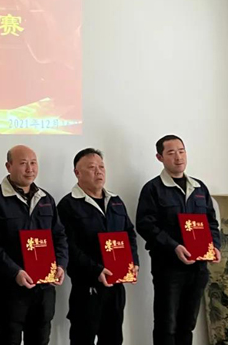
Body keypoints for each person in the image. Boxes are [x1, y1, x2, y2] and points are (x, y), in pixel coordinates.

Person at [136, 135, 221, 345]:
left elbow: (211, 222)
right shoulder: (153, 189)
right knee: (167, 324)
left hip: (198, 267)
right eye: (171, 153)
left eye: (181, 151)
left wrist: (215, 246)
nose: (178, 157)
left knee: (187, 324)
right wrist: (173, 246)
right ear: (160, 157)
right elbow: (145, 225)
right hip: (169, 268)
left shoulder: (199, 188)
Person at [0, 145, 67, 345]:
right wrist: (15, 272)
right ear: (8, 166)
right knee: (9, 338)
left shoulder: (46, 199)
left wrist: (61, 265)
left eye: (33, 163)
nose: (30, 169)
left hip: (44, 289)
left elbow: (59, 236)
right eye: (23, 163)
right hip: (11, 289)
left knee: (41, 338)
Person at [57, 148, 139, 345]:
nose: (99, 172)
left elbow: (129, 233)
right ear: (77, 173)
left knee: (113, 338)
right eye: (92, 168)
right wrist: (95, 270)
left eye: (101, 167)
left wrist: (133, 262)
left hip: (116, 285)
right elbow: (68, 246)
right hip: (87, 286)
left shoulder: (115, 202)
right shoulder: (68, 205)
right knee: (83, 338)